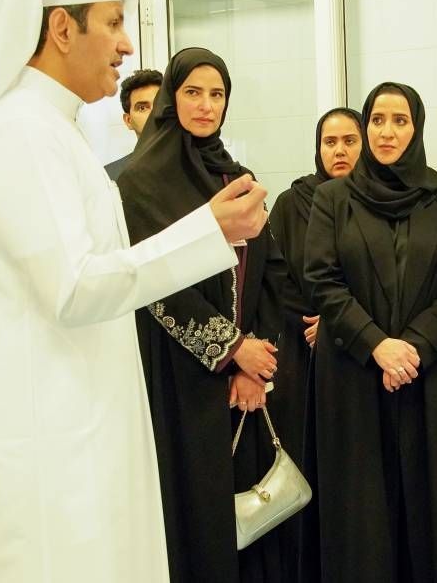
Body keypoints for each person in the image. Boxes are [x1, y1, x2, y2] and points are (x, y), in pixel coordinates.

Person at [0, 0, 267, 583]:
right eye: (114, 23)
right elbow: (74, 286)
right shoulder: (21, 134)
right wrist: (208, 231)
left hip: (76, 426)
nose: (127, 46)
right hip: (50, 448)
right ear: (63, 29)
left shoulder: (53, 130)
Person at [304, 82, 437, 583]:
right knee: (361, 509)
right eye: (377, 120)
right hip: (353, 371)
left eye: (400, 120)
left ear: (417, 128)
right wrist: (377, 345)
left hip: (429, 373)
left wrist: (411, 348)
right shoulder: (332, 198)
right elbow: (322, 279)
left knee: (433, 506)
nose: (387, 132)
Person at [117, 47, 285, 583]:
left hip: (240, 382)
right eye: (193, 92)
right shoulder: (139, 181)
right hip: (175, 374)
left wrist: (254, 363)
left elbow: (269, 270)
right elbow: (155, 287)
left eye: (217, 94)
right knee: (186, 511)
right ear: (172, 97)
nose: (206, 105)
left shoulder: (236, 177)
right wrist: (231, 350)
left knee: (242, 517)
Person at [268, 107, 364, 582]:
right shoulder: (293, 202)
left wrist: (336, 321)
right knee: (305, 465)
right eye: (330, 142)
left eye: (349, 141)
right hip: (300, 350)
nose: (339, 151)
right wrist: (311, 319)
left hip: (357, 351)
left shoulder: (375, 200)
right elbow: (276, 271)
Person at [106, 68, 162, 180]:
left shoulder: (195, 166)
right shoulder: (109, 177)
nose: (154, 113)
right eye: (142, 108)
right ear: (128, 120)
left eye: (160, 104)